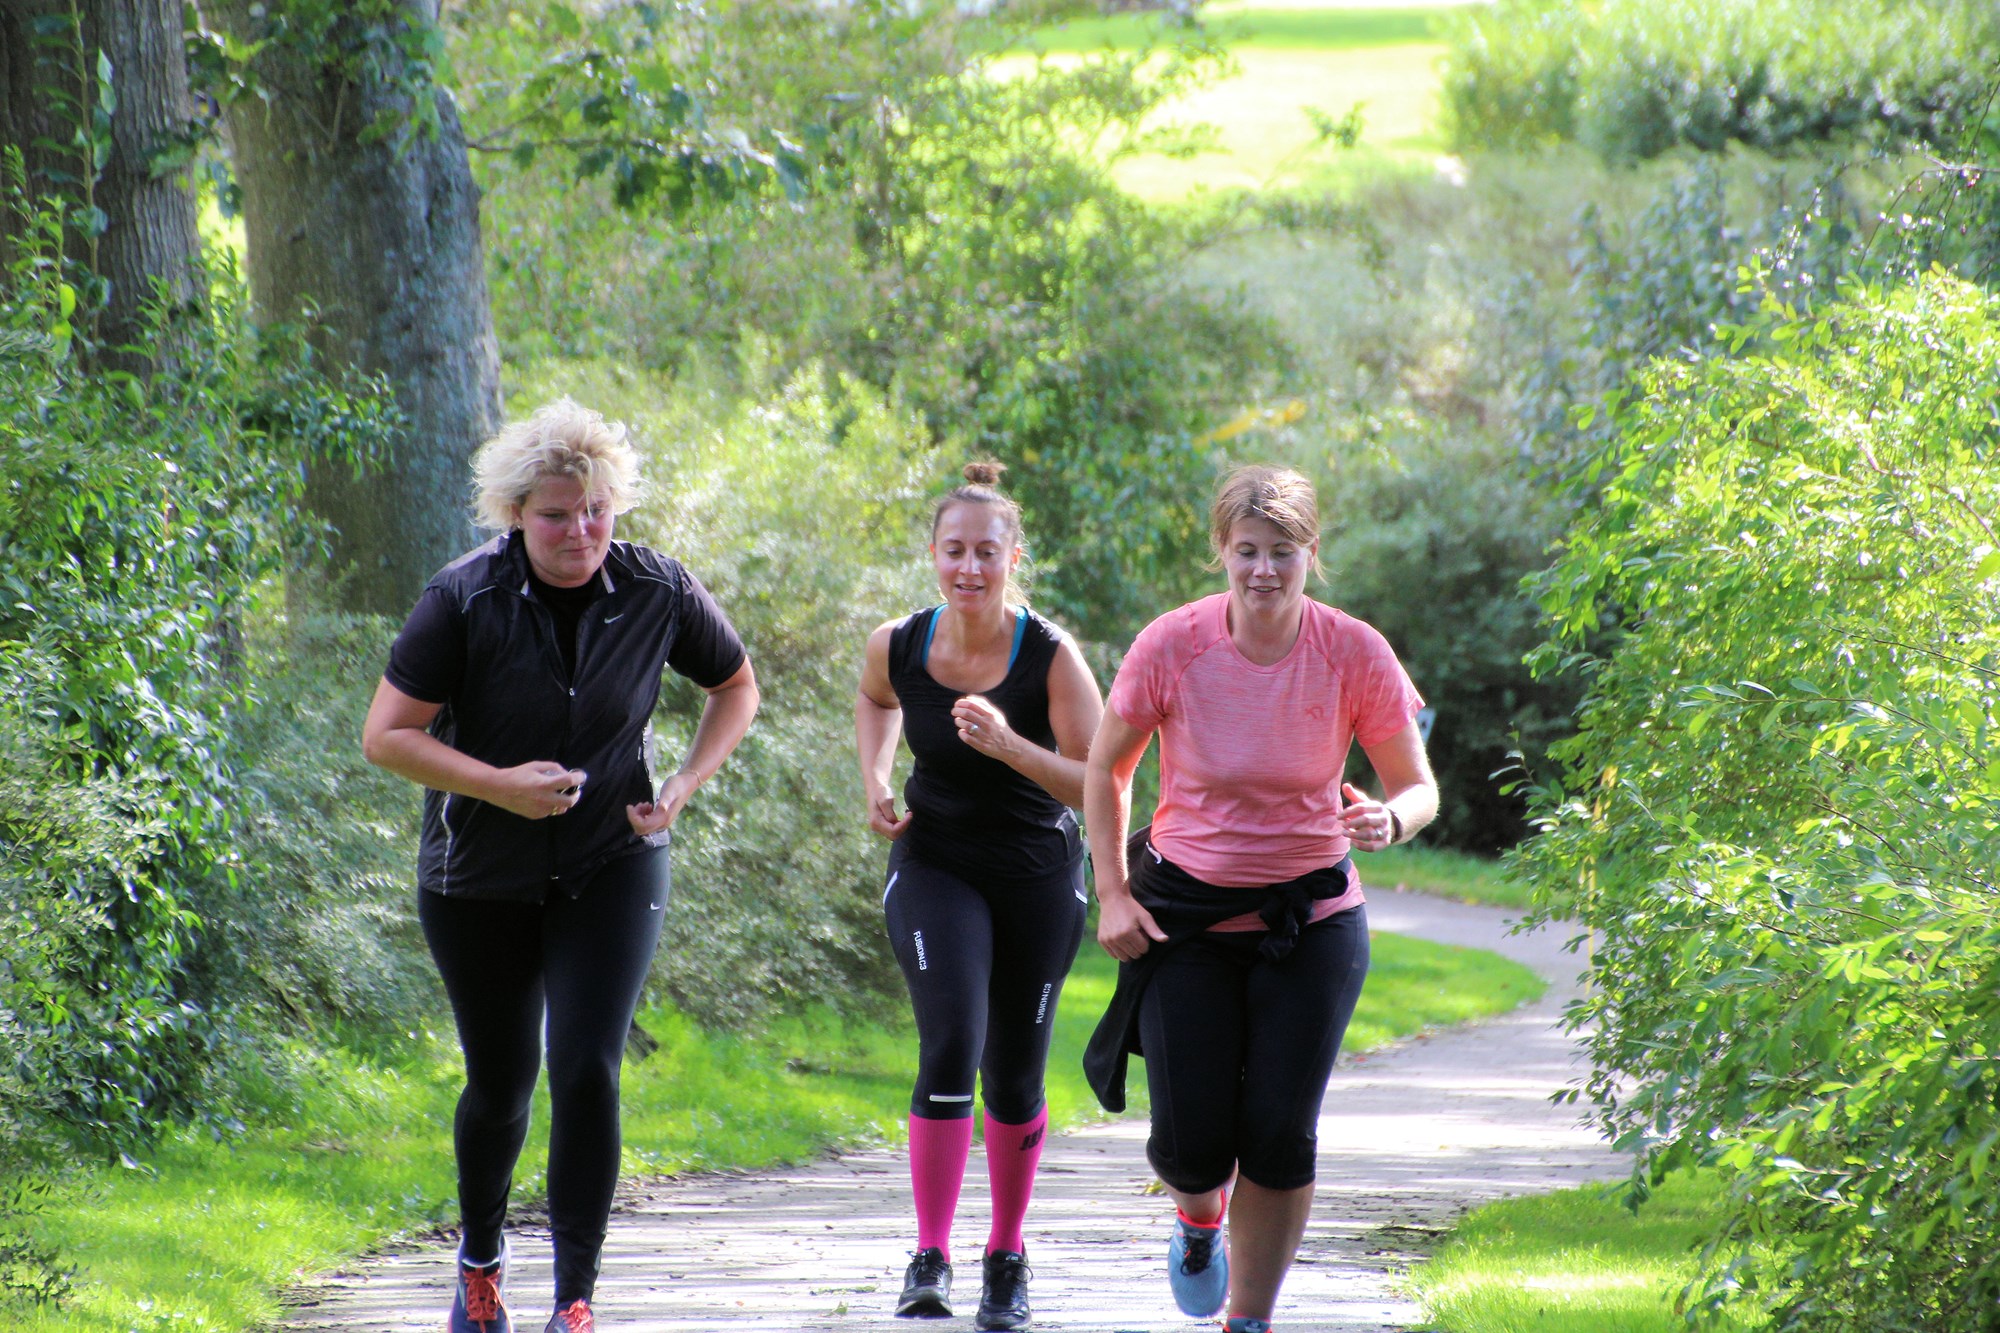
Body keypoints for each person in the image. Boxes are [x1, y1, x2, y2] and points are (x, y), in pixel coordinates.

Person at [361, 399, 760, 1333]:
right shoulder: (462, 598)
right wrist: (496, 784)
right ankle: (480, 1264)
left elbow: (736, 686)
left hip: (613, 859)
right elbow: (386, 736)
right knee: (501, 1081)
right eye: (555, 513)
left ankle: (575, 1298)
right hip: (478, 874)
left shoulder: (659, 588)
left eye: (595, 510)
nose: (580, 530)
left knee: (586, 1066)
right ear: (513, 513)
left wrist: (687, 782)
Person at [1081, 464, 1437, 1333]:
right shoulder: (1173, 643)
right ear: (1222, 553)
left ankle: (1250, 1319)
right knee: (1192, 1141)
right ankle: (1199, 1220)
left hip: (1312, 919)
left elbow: (1419, 786)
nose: (1265, 570)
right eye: (1247, 551)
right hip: (1187, 919)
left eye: (1284, 551)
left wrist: (1392, 818)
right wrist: (1114, 893)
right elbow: (1107, 767)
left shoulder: (1352, 649)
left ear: (1313, 553)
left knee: (1279, 1132)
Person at [854, 462, 1104, 1330]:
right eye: (954, 550)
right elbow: (873, 697)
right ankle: (930, 1254)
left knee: (1015, 1069)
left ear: (1013, 556)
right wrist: (877, 775)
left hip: (1037, 872)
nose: (969, 567)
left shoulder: (1051, 655)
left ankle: (1006, 1253)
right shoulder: (901, 643)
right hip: (936, 861)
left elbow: (1100, 784)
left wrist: (1010, 747)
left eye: (986, 552)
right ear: (932, 553)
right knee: (953, 1036)